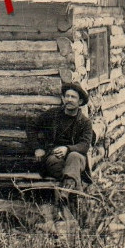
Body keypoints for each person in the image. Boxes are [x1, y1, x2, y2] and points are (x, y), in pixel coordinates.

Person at [32, 82, 94, 210]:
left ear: (80, 101)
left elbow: (84, 145)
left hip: (76, 159)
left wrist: (67, 149)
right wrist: (37, 147)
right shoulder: (53, 115)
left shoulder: (85, 122)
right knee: (70, 170)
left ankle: (65, 194)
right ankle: (73, 192)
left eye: (73, 97)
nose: (69, 99)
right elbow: (32, 126)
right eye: (67, 96)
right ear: (63, 98)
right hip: (55, 159)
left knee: (74, 156)